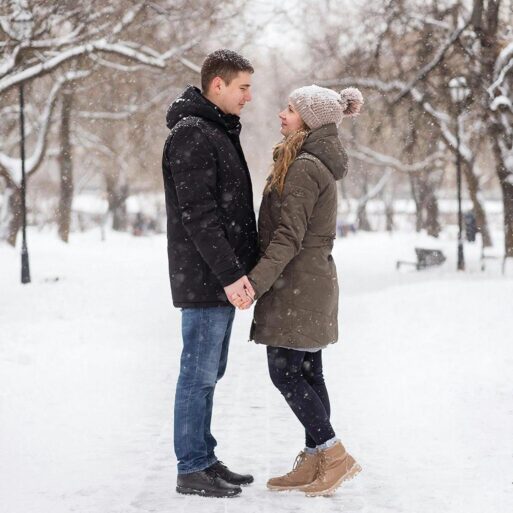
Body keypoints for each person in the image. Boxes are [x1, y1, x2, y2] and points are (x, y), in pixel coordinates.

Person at [233, 85, 364, 496]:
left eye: (290, 109)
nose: (282, 114)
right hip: (307, 280)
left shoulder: (306, 166)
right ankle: (314, 458)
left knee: (285, 373)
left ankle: (334, 453)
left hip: (297, 284)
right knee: (307, 371)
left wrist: (255, 283)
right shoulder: (309, 159)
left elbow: (288, 237)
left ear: (309, 120)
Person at [161, 49, 258, 498]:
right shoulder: (192, 134)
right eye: (243, 87)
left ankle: (204, 456)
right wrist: (230, 274)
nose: (248, 97)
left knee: (209, 374)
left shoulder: (215, 130)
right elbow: (199, 216)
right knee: (197, 376)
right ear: (217, 85)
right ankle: (191, 467)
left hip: (218, 278)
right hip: (206, 279)